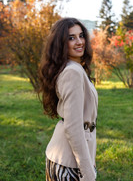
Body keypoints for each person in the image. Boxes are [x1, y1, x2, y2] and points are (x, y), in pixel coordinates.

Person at [39, 17, 98, 181]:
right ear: (60, 43)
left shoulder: (71, 67)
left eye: (81, 36)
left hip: (64, 158)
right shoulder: (72, 72)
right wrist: (87, 171)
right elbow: (73, 127)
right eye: (71, 38)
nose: (79, 42)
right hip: (69, 164)